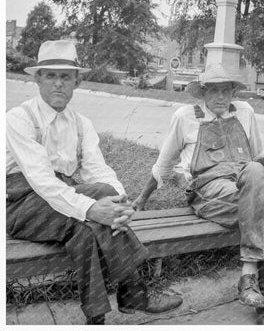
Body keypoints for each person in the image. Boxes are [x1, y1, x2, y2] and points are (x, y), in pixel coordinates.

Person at [6, 40, 183, 325]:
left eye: (65, 76)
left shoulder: (80, 124)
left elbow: (98, 169)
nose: (58, 84)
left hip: (60, 201)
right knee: (96, 203)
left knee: (87, 232)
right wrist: (91, 208)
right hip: (19, 206)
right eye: (50, 76)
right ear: (37, 79)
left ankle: (96, 317)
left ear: (77, 81)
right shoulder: (19, 119)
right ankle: (134, 290)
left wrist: (120, 203)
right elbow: (42, 182)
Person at [133, 63, 264, 325]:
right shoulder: (185, 116)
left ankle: (251, 281)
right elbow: (163, 165)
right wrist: (142, 199)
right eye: (214, 91)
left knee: (261, 180)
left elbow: (259, 154)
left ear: (234, 91)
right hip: (209, 191)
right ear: (203, 92)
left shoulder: (245, 112)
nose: (221, 97)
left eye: (226, 90)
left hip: (246, 182)